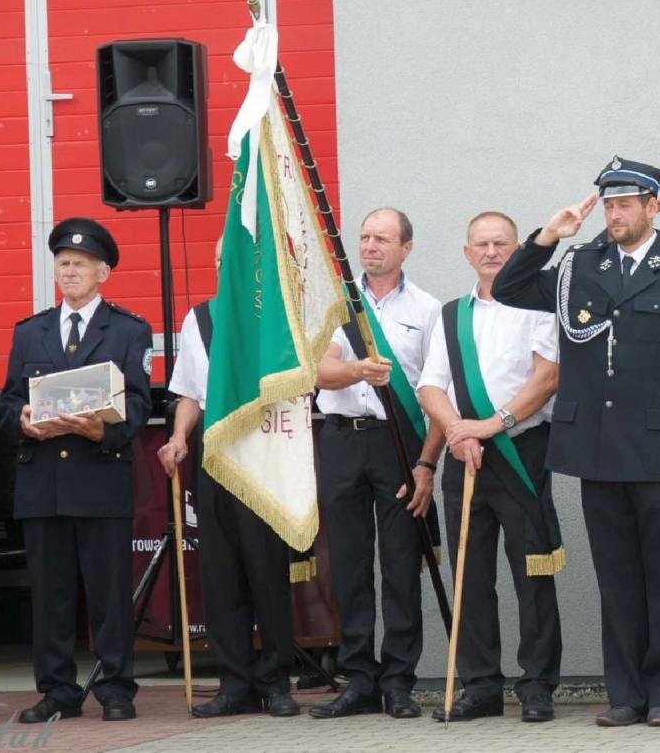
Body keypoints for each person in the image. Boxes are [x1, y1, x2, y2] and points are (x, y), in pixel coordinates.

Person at [493, 156, 660, 727]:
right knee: (616, 577)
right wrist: (549, 235)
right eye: (610, 204)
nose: (616, 214)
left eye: (626, 204)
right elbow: (510, 287)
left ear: (653, 206)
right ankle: (627, 693)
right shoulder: (580, 265)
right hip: (598, 448)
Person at [0, 217, 152, 724]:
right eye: (63, 264)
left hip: (100, 476)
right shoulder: (29, 331)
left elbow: (140, 403)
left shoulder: (129, 330)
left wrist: (101, 432)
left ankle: (115, 688)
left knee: (108, 595)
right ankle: (57, 690)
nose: (69, 272)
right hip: (44, 482)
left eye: (80, 265)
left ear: (103, 272)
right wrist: (20, 421)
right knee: (51, 596)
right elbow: (6, 404)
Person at [417, 211, 564, 724]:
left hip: (522, 451)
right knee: (470, 575)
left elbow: (547, 379)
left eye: (502, 243)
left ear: (517, 247)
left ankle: (538, 685)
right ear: (466, 252)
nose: (492, 252)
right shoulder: (452, 314)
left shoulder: (538, 307)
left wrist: (489, 426)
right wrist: (458, 430)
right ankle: (480, 686)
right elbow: (430, 386)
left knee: (533, 573)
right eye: (481, 244)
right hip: (464, 457)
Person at [309, 208, 441, 721]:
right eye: (364, 237)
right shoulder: (336, 303)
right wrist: (357, 370)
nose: (370, 246)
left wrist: (427, 463)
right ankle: (359, 677)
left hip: (399, 445)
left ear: (406, 248)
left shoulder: (428, 309)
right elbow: (319, 370)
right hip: (343, 440)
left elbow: (435, 392)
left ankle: (399, 680)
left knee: (402, 564)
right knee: (349, 565)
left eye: (383, 238)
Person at [158, 269, 302, 720]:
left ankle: (276, 682)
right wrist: (180, 437)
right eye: (221, 260)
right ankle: (234, 682)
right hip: (214, 457)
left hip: (264, 454)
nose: (227, 267)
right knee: (221, 578)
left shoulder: (279, 318)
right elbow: (188, 394)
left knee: (266, 573)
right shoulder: (199, 319)